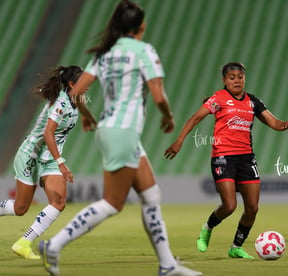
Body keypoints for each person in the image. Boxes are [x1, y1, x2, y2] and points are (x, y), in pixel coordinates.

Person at [38, 1, 202, 276]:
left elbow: (76, 91)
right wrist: (168, 116)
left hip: (110, 129)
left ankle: (167, 265)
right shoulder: (144, 51)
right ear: (141, 26)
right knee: (112, 203)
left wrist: (88, 116)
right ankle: (54, 245)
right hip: (123, 133)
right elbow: (159, 95)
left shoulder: (105, 53)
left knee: (151, 195)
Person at [164, 62, 288, 258]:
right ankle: (208, 227)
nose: (236, 80)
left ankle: (235, 247)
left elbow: (272, 121)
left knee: (252, 207)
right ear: (224, 80)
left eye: (240, 77)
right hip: (223, 156)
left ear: (244, 79)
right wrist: (179, 141)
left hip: (246, 157)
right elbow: (195, 118)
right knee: (230, 205)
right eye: (232, 77)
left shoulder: (252, 101)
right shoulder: (218, 99)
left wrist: (284, 124)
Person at [0, 65, 96, 260]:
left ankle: (23, 243)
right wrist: (61, 163)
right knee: (20, 208)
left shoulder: (76, 96)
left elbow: (81, 103)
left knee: (59, 202)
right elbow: (48, 133)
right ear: (71, 84)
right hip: (31, 156)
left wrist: (87, 118)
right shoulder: (60, 104)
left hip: (50, 159)